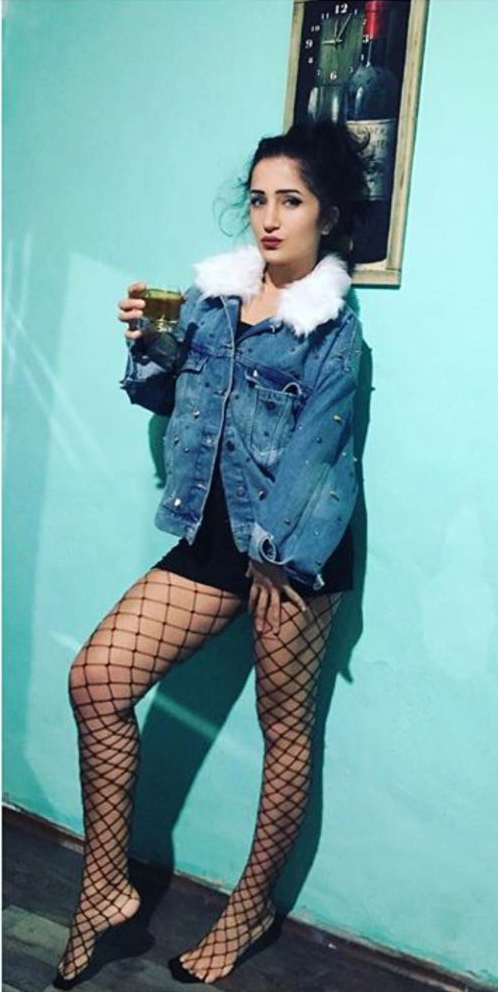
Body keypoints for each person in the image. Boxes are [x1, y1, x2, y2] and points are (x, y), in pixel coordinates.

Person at [52, 119, 370, 989]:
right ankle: (106, 885)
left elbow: (323, 452)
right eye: (259, 199)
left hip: (295, 550)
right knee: (97, 680)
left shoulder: (332, 330)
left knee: (284, 730)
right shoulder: (212, 298)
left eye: (291, 201)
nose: (269, 217)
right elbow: (167, 397)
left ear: (327, 214)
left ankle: (249, 908)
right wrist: (146, 343)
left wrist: (279, 557)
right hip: (211, 537)